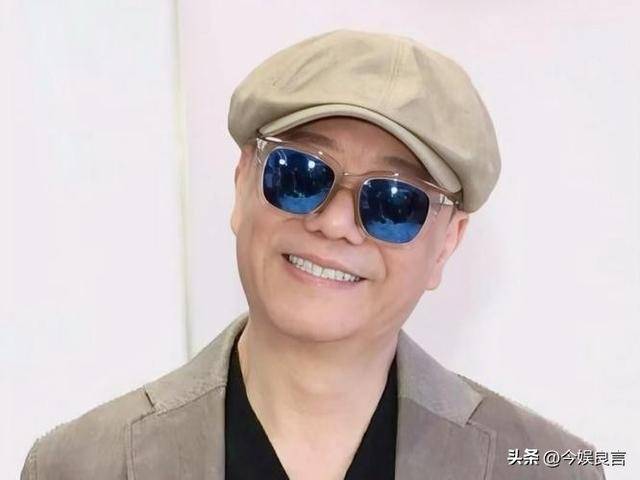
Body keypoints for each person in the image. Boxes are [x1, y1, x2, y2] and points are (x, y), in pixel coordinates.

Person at [21, 29, 606, 480]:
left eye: (393, 201)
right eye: (300, 173)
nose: (334, 223)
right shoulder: (77, 465)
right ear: (242, 183)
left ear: (446, 243)